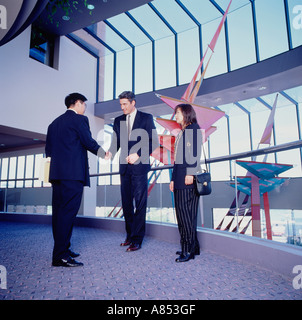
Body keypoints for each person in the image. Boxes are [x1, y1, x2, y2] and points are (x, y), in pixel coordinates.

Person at [45, 92, 105, 267]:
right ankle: (60, 256)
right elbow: (87, 141)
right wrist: (103, 153)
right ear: (78, 103)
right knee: (68, 214)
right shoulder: (79, 120)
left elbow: (48, 151)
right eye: (84, 104)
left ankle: (63, 248)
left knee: (58, 214)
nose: (85, 108)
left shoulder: (53, 124)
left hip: (57, 176)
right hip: (73, 176)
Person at [105, 91, 159, 252]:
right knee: (127, 204)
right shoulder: (118, 120)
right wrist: (109, 153)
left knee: (140, 203)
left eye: (125, 104)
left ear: (133, 103)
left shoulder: (146, 118)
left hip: (140, 166)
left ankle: (137, 239)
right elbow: (116, 142)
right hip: (124, 167)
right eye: (120, 104)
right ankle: (129, 235)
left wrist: (139, 154)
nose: (122, 107)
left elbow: (154, 142)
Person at [169, 104, 202, 263]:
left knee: (185, 216)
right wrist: (173, 179)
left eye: (178, 113)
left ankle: (187, 249)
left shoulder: (193, 129)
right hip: (180, 178)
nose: (175, 116)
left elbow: (195, 153)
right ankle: (192, 246)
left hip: (187, 178)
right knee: (186, 215)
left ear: (186, 114)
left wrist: (191, 173)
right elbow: (177, 159)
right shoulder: (184, 131)